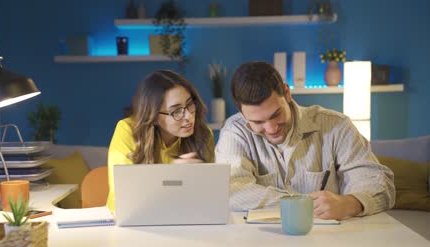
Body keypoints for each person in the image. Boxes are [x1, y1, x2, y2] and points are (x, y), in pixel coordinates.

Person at [216, 61, 395, 220]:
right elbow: (231, 190)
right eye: (258, 122)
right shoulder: (234, 131)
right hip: (260, 245)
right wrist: (302, 203)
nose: (271, 128)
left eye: (276, 114)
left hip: (330, 244)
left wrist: (350, 203)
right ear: (242, 114)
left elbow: (380, 185)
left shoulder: (337, 126)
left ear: (287, 93)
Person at [106, 70, 215, 211]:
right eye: (176, 111)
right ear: (154, 117)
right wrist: (172, 176)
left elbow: (208, 196)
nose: (188, 116)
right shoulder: (127, 130)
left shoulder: (204, 134)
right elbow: (124, 197)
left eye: (189, 105)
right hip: (133, 222)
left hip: (184, 217)